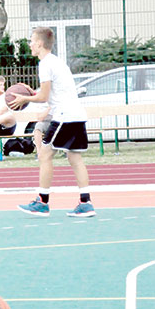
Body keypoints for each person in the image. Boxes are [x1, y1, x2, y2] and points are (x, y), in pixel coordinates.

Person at [8, 27, 96, 218]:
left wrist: (25, 99)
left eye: (32, 40)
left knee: (45, 155)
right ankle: (86, 202)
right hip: (76, 114)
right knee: (74, 158)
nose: (30, 44)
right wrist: (34, 95)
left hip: (64, 116)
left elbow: (44, 96)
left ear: (39, 43)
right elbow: (52, 94)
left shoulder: (45, 64)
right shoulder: (57, 62)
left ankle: (42, 202)